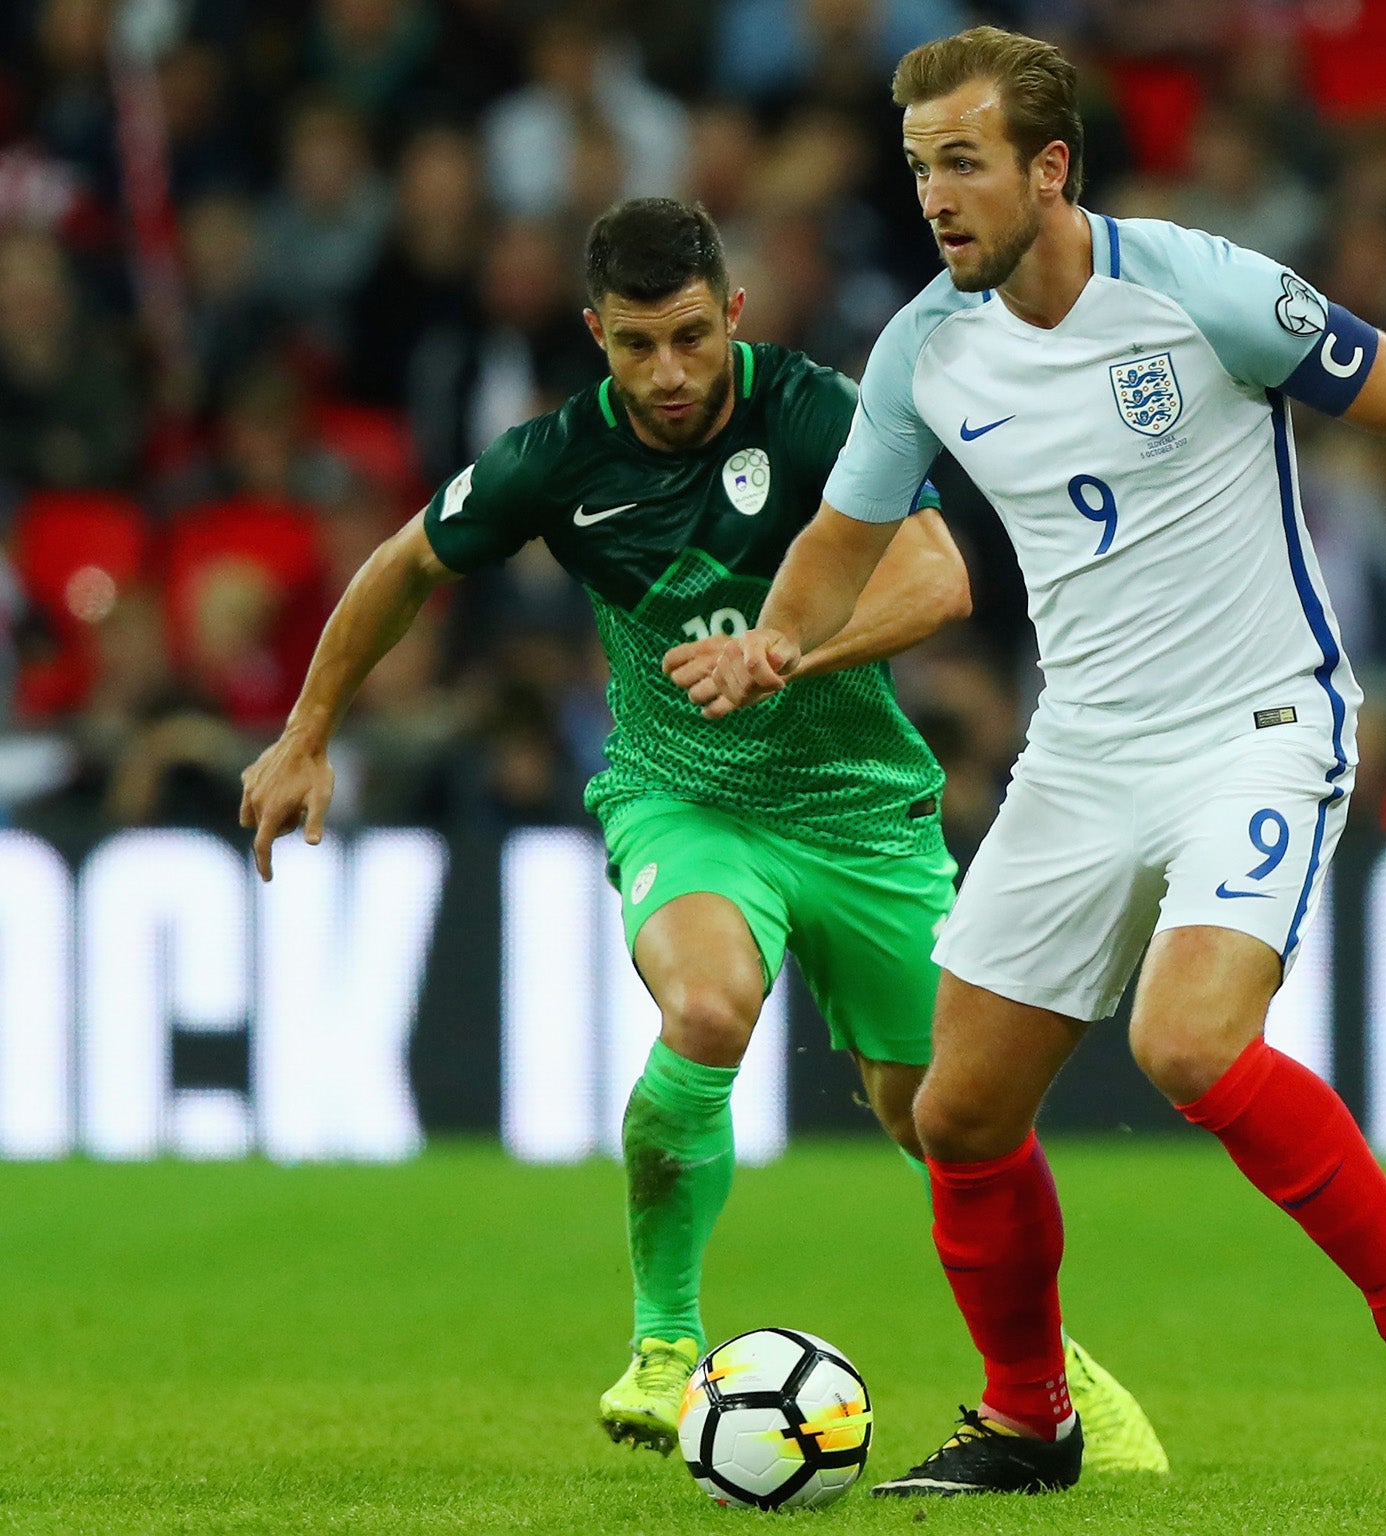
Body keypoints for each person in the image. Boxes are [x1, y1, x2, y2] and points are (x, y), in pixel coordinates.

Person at [685, 27, 1386, 1497]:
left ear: (1050, 167)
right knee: (954, 1115)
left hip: (1256, 728)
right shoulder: (924, 352)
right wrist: (774, 642)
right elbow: (841, 539)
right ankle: (1031, 1420)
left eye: (964, 164)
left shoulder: (1200, 288)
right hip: (1081, 753)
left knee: (1190, 1043)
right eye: (917, 169)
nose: (936, 198)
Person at [237, 197, 1164, 1473]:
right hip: (685, 798)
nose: (667, 375)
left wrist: (780, 650)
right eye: (634, 346)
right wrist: (306, 732)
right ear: (594, 337)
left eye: (687, 337)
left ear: (730, 312)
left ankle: (1050, 1378)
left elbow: (938, 579)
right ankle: (665, 1344)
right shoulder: (553, 462)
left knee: (945, 1119)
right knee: (710, 1008)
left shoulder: (815, 413)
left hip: (860, 811)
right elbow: (403, 564)